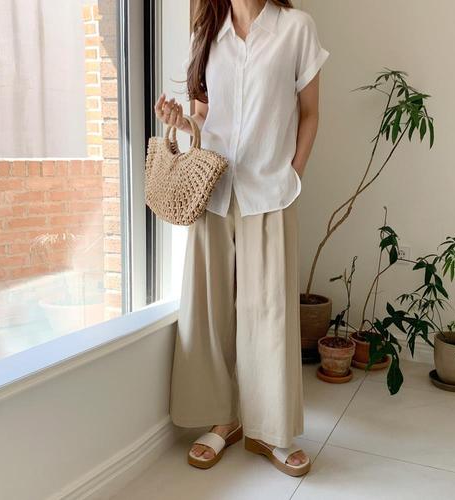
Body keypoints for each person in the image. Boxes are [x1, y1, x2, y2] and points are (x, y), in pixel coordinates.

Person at [154, 0, 329, 477]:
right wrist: (181, 122)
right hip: (213, 190)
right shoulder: (208, 32)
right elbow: (204, 118)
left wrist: (293, 174)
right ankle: (223, 420)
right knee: (210, 311)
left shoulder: (296, 28)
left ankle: (271, 431)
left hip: (270, 192)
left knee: (270, 312)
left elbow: (310, 113)